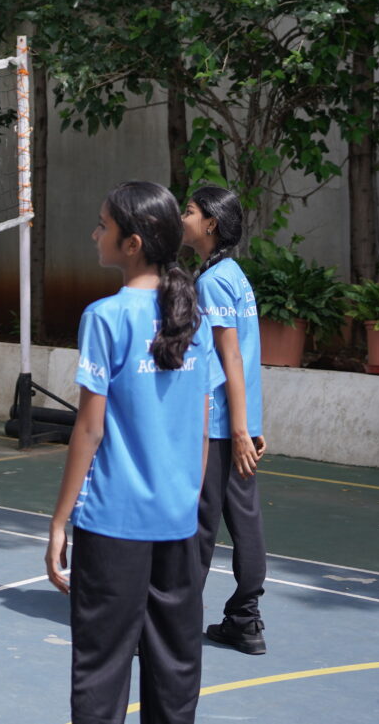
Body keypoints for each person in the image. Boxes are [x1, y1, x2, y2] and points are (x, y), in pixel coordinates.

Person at [46, 181, 218, 724]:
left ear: (133, 243)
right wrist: (188, 498)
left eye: (103, 224)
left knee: (101, 666)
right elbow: (203, 423)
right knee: (176, 667)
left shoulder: (105, 316)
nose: (94, 232)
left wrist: (59, 520)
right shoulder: (195, 316)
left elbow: (89, 430)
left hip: (114, 521)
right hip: (177, 519)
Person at [182, 184, 268, 655]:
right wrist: (252, 421)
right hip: (239, 417)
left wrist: (236, 429)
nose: (183, 216)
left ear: (211, 223)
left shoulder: (213, 281)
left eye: (190, 211)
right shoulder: (234, 274)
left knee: (200, 526)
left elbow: (231, 356)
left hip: (218, 423)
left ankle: (176, 623)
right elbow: (252, 356)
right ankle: (246, 620)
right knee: (245, 520)